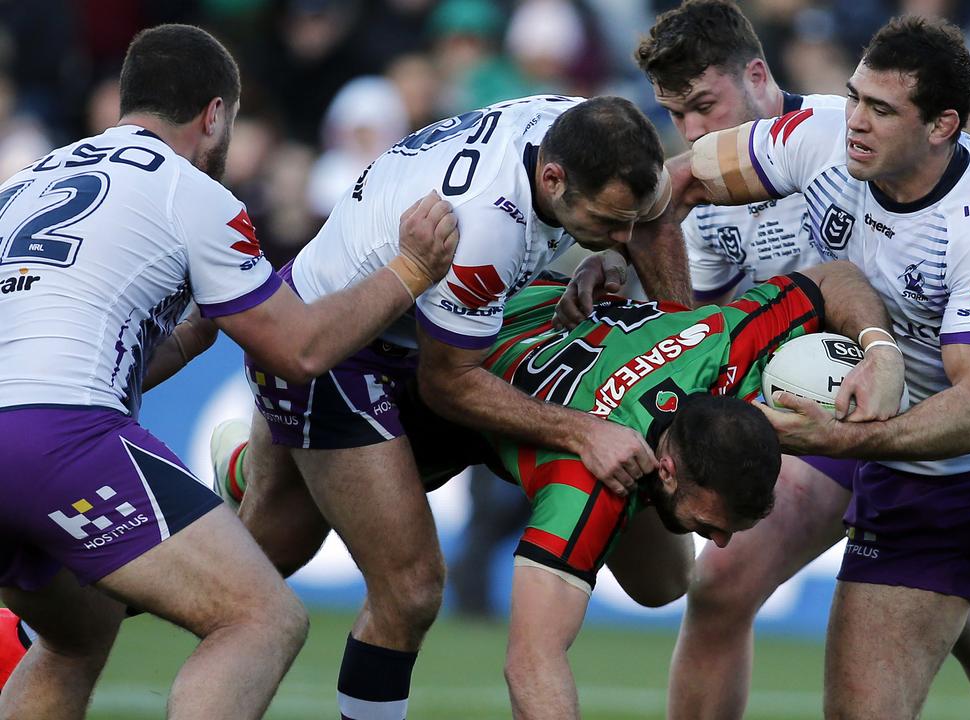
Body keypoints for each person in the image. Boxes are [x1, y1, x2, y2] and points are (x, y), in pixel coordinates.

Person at [595, 15, 970, 720]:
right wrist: (608, 249)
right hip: (892, 454)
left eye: (880, 110)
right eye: (855, 97)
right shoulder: (819, 140)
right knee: (883, 662)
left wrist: (841, 440)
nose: (854, 121)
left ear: (940, 126)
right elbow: (674, 185)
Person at [220, 256, 907, 719]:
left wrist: (879, 348)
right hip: (455, 385)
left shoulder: (730, 337)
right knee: (317, 548)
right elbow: (531, 661)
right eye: (715, 521)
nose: (722, 539)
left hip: (556, 333)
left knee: (669, 582)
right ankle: (246, 469)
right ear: (667, 469)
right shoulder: (590, 481)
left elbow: (835, 277)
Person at [0, 24, 457, 719]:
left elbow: (57, 348)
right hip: (61, 441)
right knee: (261, 619)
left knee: (75, 634)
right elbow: (299, 351)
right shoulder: (192, 191)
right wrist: (412, 269)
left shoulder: (29, 180)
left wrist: (198, 332)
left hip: (23, 427)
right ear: (215, 114)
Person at [210, 94, 684, 720]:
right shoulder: (483, 225)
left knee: (272, 544)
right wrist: (583, 431)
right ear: (553, 179)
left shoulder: (583, 133)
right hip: (338, 344)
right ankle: (103, 584)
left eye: (630, 221)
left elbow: (652, 215)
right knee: (408, 589)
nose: (625, 240)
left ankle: (243, 473)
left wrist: (676, 330)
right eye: (608, 222)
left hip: (400, 319)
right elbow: (448, 384)